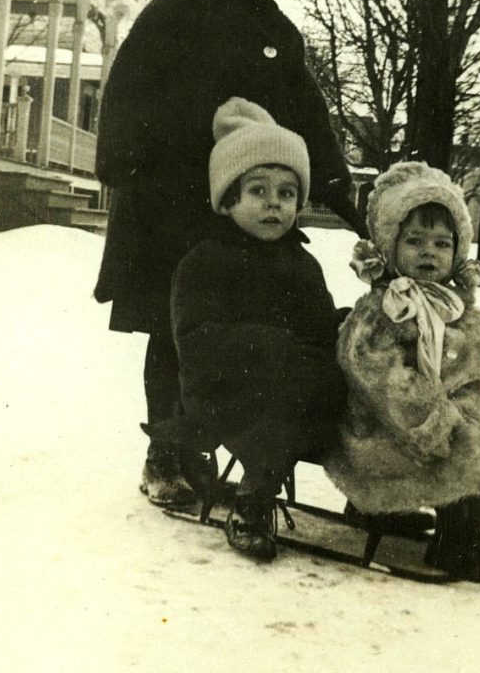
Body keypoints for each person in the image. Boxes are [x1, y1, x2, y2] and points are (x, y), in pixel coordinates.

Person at [93, 0, 365, 509]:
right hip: (170, 207)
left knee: (244, 332)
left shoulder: (274, 28)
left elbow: (306, 113)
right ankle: (170, 454)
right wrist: (126, 165)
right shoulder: (166, 19)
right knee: (176, 328)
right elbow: (126, 99)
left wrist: (333, 185)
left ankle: (252, 446)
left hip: (248, 211)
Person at [324, 161, 480, 584]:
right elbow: (378, 376)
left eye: (442, 243)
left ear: (457, 252)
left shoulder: (464, 314)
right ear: (390, 248)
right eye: (414, 241)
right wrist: (434, 419)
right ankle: (457, 540)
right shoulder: (382, 312)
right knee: (463, 444)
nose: (429, 252)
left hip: (444, 415)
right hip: (384, 426)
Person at [149, 97, 349, 561]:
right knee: (282, 408)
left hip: (291, 382)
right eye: (258, 191)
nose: (273, 204)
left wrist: (348, 327)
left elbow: (318, 328)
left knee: (361, 387)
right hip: (222, 389)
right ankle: (252, 503)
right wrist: (276, 347)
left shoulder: (303, 263)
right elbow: (196, 339)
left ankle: (372, 497)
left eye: (286, 193)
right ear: (228, 199)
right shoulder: (205, 261)